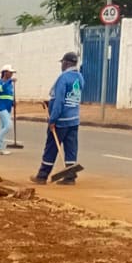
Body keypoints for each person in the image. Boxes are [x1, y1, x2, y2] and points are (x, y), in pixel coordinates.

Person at [33, 52, 83, 185]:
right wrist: (50, 103)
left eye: (62, 63)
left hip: (61, 121)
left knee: (51, 147)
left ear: (66, 63)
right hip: (74, 119)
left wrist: (52, 120)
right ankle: (70, 177)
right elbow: (70, 97)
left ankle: (42, 176)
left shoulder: (63, 78)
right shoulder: (79, 77)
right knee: (71, 148)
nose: (61, 65)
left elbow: (60, 100)